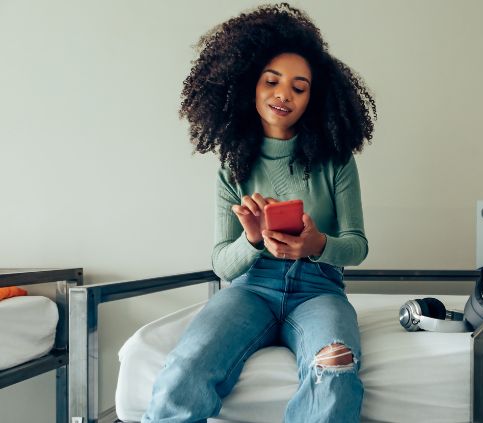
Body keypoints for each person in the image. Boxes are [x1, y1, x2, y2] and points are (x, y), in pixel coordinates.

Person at [142, 3, 376, 422]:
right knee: (187, 362)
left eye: (299, 87)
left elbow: (357, 246)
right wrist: (250, 238)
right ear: (250, 84)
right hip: (252, 288)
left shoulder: (336, 160)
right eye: (272, 81)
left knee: (335, 363)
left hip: (318, 289)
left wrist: (316, 243)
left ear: (313, 99)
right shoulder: (232, 166)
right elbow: (221, 264)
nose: (283, 94)